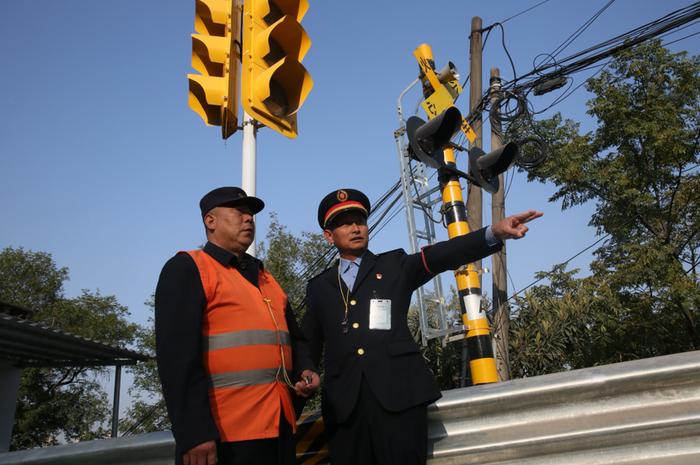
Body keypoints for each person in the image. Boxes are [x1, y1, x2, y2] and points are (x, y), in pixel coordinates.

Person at [301, 188, 542, 465]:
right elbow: (308, 341)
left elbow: (441, 255)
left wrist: (493, 233)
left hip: (399, 398)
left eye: (360, 221)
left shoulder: (394, 265)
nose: (355, 228)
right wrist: (307, 369)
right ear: (329, 236)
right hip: (345, 408)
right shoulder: (319, 287)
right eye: (344, 223)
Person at [155, 186, 320, 465]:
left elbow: (295, 338)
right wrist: (194, 433)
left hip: (279, 425)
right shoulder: (189, 268)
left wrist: (305, 368)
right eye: (239, 212)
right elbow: (177, 359)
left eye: (251, 215)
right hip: (225, 435)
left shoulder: (266, 277)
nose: (248, 219)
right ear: (210, 221)